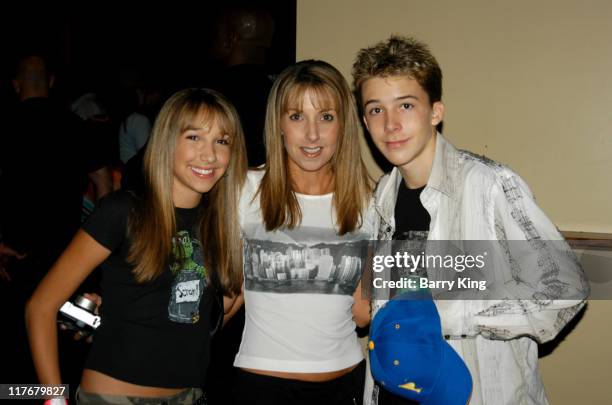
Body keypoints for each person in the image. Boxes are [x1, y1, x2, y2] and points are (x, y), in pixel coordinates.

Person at [352, 35, 589, 405]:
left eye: (406, 106)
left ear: (435, 112)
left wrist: (453, 312)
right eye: (376, 110)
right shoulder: (382, 195)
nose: (391, 124)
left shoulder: (490, 185)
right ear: (365, 121)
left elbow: (565, 289)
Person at [26, 88, 247, 404]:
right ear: (167, 140)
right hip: (112, 396)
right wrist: (53, 399)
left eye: (222, 141)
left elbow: (206, 320)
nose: (209, 154)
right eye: (194, 137)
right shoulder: (123, 211)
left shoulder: (223, 224)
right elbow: (40, 307)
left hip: (189, 396)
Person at [232, 60, 374, 405]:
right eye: (296, 117)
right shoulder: (244, 191)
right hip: (261, 387)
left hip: (345, 384)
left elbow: (363, 313)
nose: (312, 135)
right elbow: (224, 293)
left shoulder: (370, 202)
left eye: (326, 117)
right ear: (278, 124)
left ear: (344, 125)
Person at [0, 52, 112, 383]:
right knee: (74, 350)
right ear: (50, 83)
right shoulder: (76, 126)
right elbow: (104, 184)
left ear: (16, 84)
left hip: (16, 264)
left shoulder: (5, 126)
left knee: (21, 363)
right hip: (71, 262)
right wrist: (100, 246)